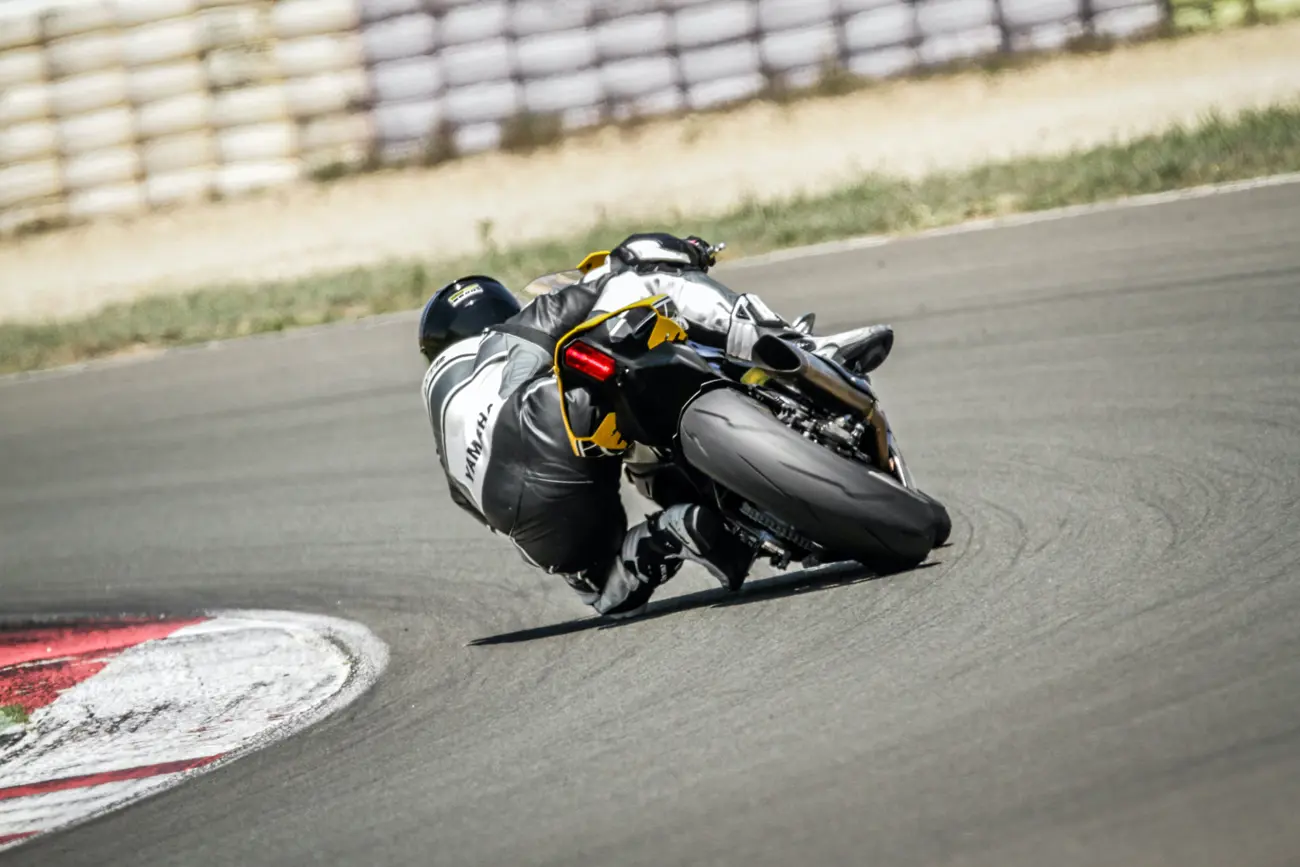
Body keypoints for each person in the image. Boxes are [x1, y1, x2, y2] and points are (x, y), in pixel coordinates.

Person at [418, 232, 896, 620]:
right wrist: (679, 252)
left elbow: (484, 511)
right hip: (547, 416)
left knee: (602, 586)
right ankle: (797, 347)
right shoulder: (505, 336)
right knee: (636, 270)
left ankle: (674, 531)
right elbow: (588, 293)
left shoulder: (448, 427)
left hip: (543, 530)